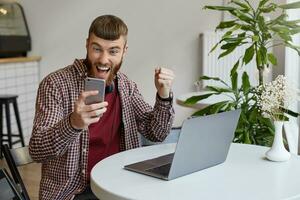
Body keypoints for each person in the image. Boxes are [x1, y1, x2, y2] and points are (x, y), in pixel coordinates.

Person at [29, 15, 175, 200]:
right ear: (87, 45)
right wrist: (73, 123)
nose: (103, 59)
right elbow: (37, 150)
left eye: (113, 51)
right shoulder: (55, 84)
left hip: (119, 187)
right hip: (73, 194)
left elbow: (157, 133)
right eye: (96, 49)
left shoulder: (126, 86)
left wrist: (163, 95)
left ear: (124, 52)